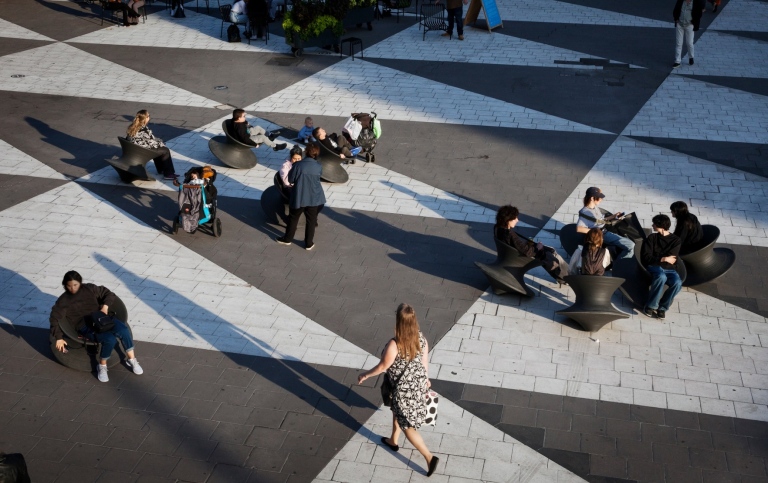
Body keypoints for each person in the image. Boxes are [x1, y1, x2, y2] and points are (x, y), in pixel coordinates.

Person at [357, 304, 439, 478]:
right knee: (397, 412)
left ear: (399, 322)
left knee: (407, 426)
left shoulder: (395, 344)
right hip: (417, 385)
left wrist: (366, 374)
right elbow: (424, 362)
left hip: (402, 391)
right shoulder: (421, 338)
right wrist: (425, 379)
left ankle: (429, 457)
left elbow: (382, 366)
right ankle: (393, 440)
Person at [50, 271, 143, 383]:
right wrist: (59, 337)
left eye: (75, 285)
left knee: (123, 329)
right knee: (109, 339)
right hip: (85, 326)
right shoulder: (63, 300)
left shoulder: (90, 288)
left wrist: (105, 307)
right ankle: (102, 366)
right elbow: (54, 317)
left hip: (101, 319)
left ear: (80, 282)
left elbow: (108, 294)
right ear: (65, 285)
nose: (73, 288)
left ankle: (131, 359)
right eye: (69, 286)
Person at [495, 205, 569, 283]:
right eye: (515, 218)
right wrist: (538, 248)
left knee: (550, 251)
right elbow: (527, 252)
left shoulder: (498, 228)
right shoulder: (510, 234)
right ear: (508, 220)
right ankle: (567, 277)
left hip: (510, 254)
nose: (517, 220)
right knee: (551, 256)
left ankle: (564, 276)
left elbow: (518, 245)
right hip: (519, 257)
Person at [276, 144, 325, 250]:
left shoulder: (298, 165)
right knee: (311, 221)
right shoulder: (318, 166)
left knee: (293, 218)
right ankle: (308, 243)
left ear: (306, 152)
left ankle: (287, 239)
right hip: (313, 197)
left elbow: (290, 180)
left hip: (299, 196)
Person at [641, 215, 683, 320]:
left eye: (654, 223)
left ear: (660, 225)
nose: (652, 225)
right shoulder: (652, 238)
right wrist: (663, 259)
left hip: (670, 269)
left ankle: (663, 308)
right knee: (661, 276)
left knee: (677, 283)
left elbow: (673, 258)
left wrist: (659, 258)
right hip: (655, 266)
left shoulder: (676, 240)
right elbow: (647, 257)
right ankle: (651, 305)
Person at [576, 187, 635, 260]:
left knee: (627, 237)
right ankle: (620, 264)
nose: (601, 199)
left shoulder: (594, 207)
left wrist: (613, 216)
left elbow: (600, 220)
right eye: (599, 197)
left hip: (605, 229)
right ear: (592, 198)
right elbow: (579, 228)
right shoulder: (585, 212)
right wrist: (595, 232)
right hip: (602, 234)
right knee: (631, 245)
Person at [126, 110, 178, 180]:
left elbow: (145, 140)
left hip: (136, 149)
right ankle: (168, 173)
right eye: (148, 116)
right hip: (142, 151)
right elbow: (150, 143)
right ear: (145, 118)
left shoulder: (132, 126)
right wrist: (160, 143)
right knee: (165, 150)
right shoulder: (143, 129)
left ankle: (161, 169)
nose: (149, 117)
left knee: (160, 148)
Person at [673, 0, 705, 68]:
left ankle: (691, 57)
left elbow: (699, 13)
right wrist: (676, 19)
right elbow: (676, 9)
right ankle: (677, 61)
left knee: (689, 43)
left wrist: (693, 21)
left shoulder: (696, 2)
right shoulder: (681, 1)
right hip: (680, 24)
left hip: (689, 25)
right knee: (679, 43)